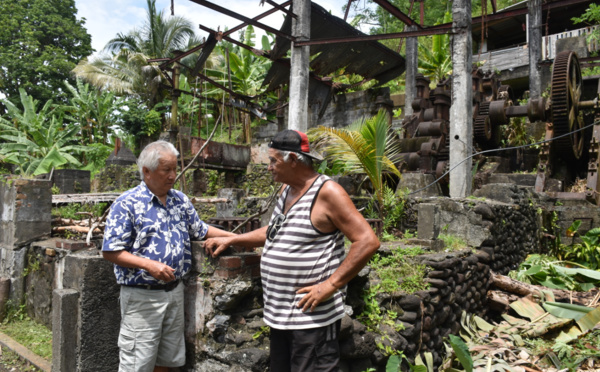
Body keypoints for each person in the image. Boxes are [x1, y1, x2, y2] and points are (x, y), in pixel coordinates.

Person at [203, 129, 380, 372]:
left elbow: (367, 241)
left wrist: (330, 285)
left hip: (311, 319)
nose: (269, 167)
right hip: (282, 317)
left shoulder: (327, 192)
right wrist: (232, 239)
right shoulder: (288, 191)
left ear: (293, 160)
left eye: (273, 161)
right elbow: (274, 232)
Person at [102, 140, 235, 372]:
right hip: (142, 296)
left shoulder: (179, 200)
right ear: (147, 171)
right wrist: (148, 265)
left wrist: (235, 238)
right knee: (137, 363)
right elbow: (111, 250)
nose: (173, 175)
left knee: (168, 360)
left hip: (174, 292)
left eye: (175, 169)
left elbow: (201, 230)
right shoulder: (127, 204)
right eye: (166, 170)